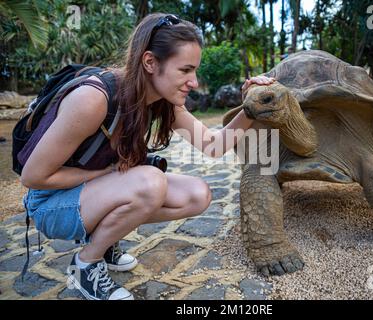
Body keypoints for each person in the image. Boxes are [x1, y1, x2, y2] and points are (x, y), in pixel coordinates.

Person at [20, 13, 275, 300]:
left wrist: (251, 106)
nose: (193, 82)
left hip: (91, 194)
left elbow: (213, 146)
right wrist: (108, 173)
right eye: (185, 70)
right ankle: (86, 266)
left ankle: (106, 240)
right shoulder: (93, 99)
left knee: (198, 194)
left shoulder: (162, 101)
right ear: (150, 62)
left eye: (195, 71)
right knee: (150, 182)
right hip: (50, 204)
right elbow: (33, 177)